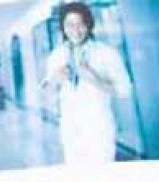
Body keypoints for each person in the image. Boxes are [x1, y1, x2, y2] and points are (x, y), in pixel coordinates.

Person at [39, 2, 132, 165]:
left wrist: (95, 79)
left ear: (89, 25)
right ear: (62, 28)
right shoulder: (57, 55)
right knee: (79, 181)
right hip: (70, 128)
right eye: (69, 25)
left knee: (102, 178)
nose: (75, 30)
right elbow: (45, 91)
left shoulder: (106, 53)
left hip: (98, 126)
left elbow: (125, 90)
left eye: (80, 24)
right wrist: (54, 80)